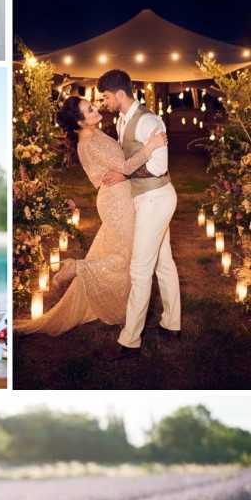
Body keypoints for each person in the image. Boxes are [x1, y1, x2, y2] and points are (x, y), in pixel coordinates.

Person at [15, 94, 167, 337]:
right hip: (116, 202)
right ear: (79, 123)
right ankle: (77, 267)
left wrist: (123, 172)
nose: (96, 109)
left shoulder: (95, 134)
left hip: (120, 196)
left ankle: (122, 305)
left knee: (119, 253)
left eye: (93, 105)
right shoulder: (88, 143)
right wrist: (151, 146)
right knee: (124, 257)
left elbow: (121, 165)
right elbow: (126, 167)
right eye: (89, 110)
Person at [98, 69, 181, 354]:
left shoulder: (148, 121)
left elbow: (158, 167)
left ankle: (130, 339)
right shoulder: (122, 121)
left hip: (156, 199)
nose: (104, 102)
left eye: (106, 96)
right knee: (163, 263)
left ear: (120, 94)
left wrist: (124, 175)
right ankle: (172, 323)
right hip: (148, 199)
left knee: (140, 269)